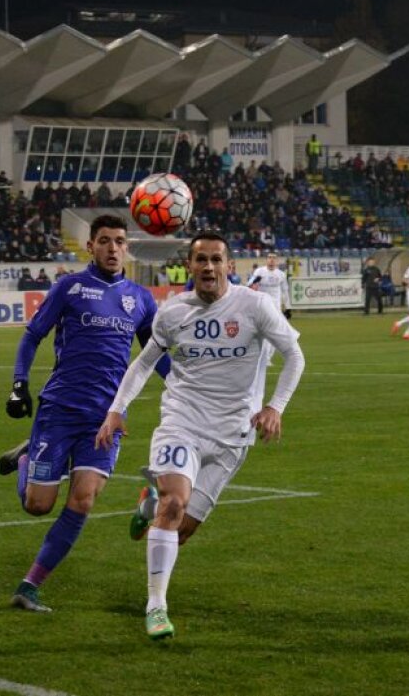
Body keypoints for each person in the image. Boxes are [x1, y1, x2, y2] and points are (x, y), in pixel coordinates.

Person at [95, 231, 305, 640]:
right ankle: (156, 605)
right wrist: (116, 410)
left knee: (181, 529)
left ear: (229, 266)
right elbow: (141, 365)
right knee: (175, 504)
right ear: (188, 267)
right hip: (182, 422)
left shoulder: (256, 306)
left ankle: (149, 503)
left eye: (216, 260)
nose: (208, 267)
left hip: (232, 436)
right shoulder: (173, 312)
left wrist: (275, 406)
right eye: (201, 260)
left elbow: (294, 355)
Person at [0, 214, 169, 613]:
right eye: (104, 241)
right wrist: (19, 384)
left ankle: (30, 586)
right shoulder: (70, 287)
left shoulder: (140, 299)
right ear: (90, 246)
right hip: (59, 410)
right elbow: (32, 336)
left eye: (120, 241)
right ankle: (26, 458)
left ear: (128, 247)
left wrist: (183, 384)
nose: (112, 248)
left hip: (105, 417)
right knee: (37, 505)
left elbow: (154, 354)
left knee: (84, 500)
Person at [248, 253, 292, 319]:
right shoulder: (259, 271)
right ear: (266, 260)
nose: (272, 260)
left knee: (275, 327)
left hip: (276, 306)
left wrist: (288, 307)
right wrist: (254, 281)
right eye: (269, 257)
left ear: (277, 260)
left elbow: (285, 292)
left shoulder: (281, 274)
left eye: (274, 258)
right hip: (262, 305)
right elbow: (248, 285)